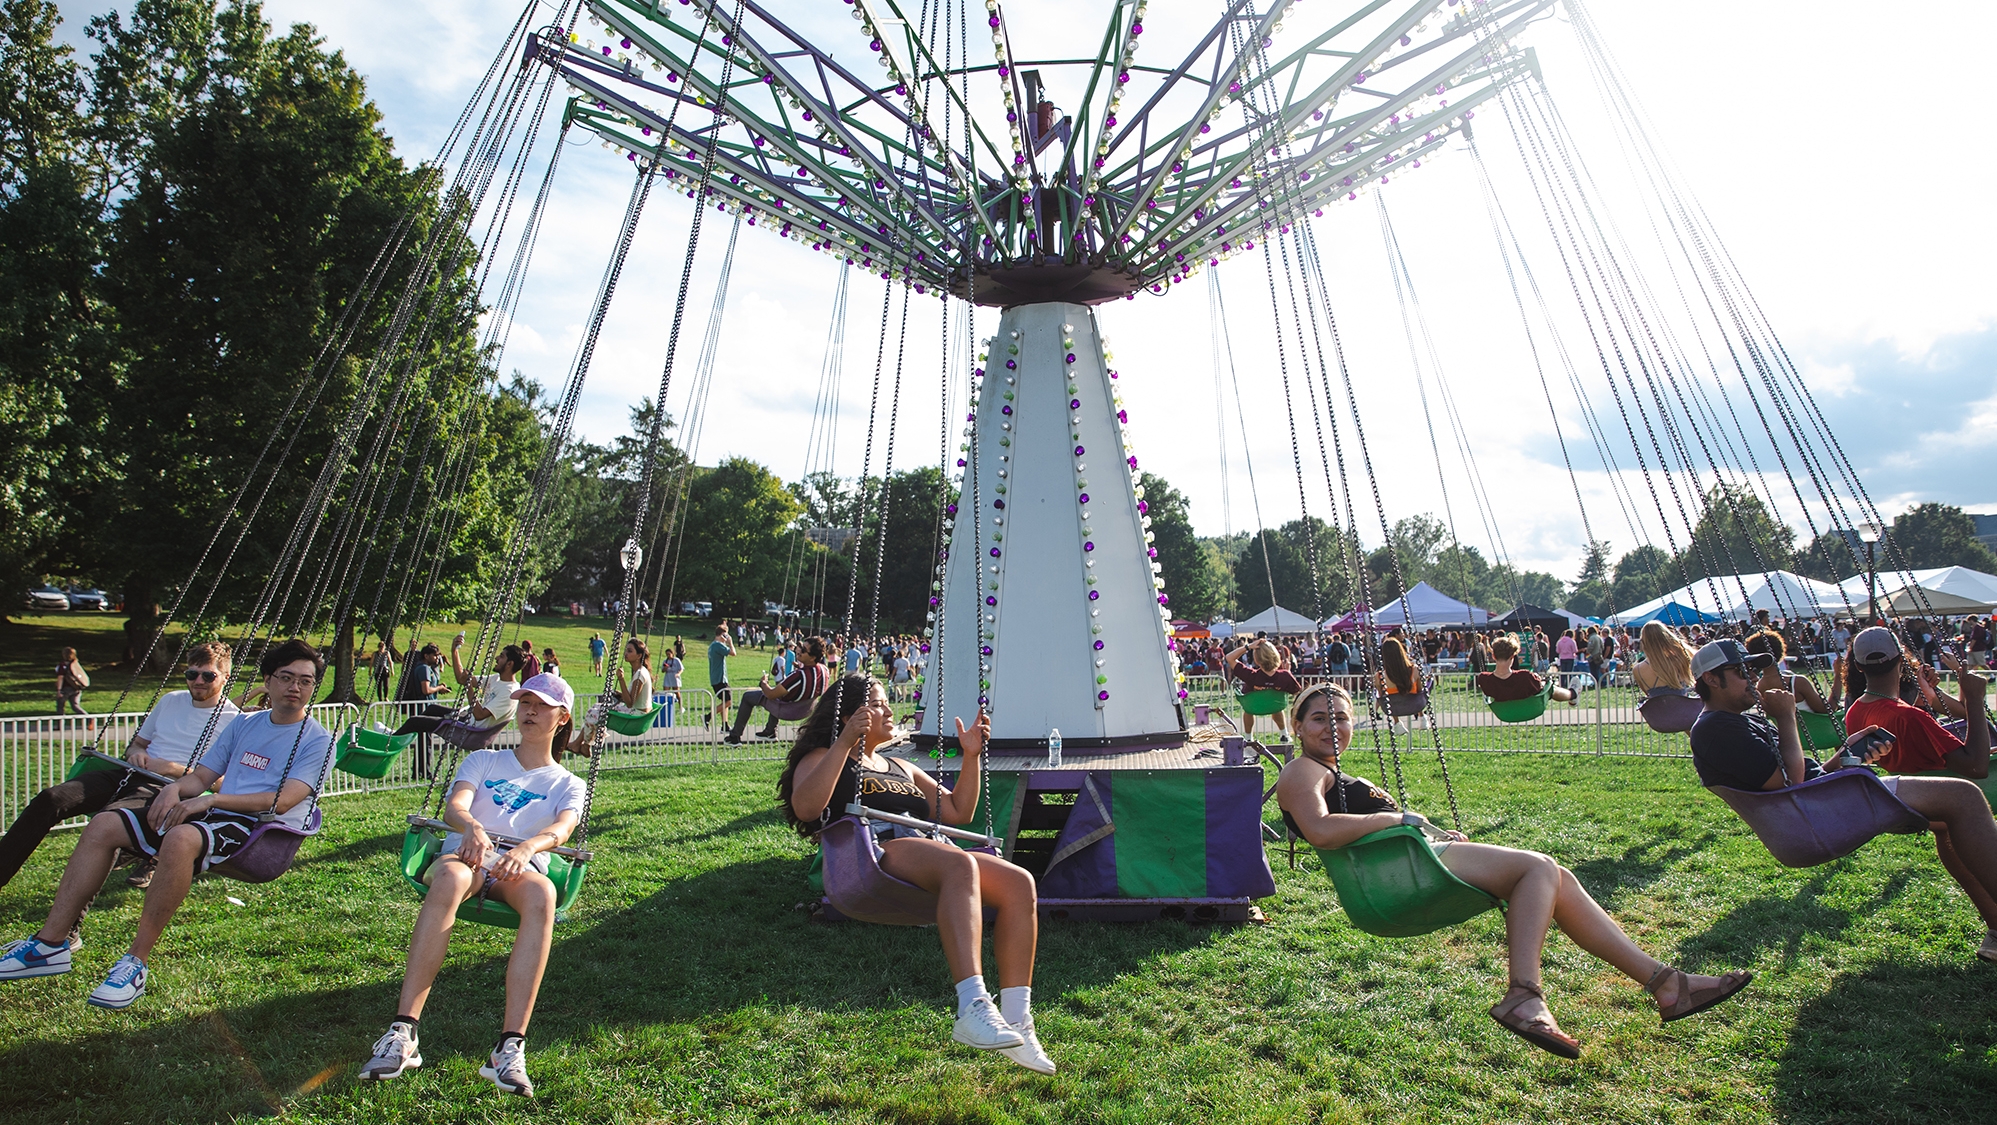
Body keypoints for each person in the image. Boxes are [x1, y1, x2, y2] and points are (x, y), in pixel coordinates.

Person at [1277, 682, 1751, 1058]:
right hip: (1400, 880)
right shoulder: (1303, 770)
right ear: (1297, 726)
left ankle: (1668, 985)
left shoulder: (1333, 770)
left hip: (1416, 865)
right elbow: (1318, 829)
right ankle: (1524, 993)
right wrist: (1397, 817)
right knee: (1537, 869)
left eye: (1340, 717)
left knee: (1558, 879)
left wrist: (1435, 832)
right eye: (1319, 718)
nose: (1331, 727)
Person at [0, 639, 334, 1008]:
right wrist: (175, 791)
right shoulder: (245, 725)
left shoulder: (318, 740)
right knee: (104, 825)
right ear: (268, 681)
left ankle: (135, 962)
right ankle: (51, 944)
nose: (295, 688)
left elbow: (283, 799)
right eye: (286, 678)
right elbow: (202, 775)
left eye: (305, 681)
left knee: (180, 839)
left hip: (258, 828)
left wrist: (210, 800)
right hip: (214, 812)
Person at [779, 675, 1051, 1073]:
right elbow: (805, 807)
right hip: (876, 853)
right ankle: (973, 1005)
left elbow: (958, 812)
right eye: (878, 703)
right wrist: (843, 743)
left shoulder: (901, 766)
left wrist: (971, 755)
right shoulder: (822, 756)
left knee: (1018, 882)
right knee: (958, 863)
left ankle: (1017, 1020)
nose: (889, 711)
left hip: (927, 850)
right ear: (851, 713)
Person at [1688, 637, 1997, 963]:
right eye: (1741, 672)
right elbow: (1790, 781)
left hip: (1821, 803)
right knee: (1964, 796)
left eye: (1753, 670)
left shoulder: (1734, 721)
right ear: (1711, 679)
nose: (1753, 679)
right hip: (1814, 818)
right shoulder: (1715, 728)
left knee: (1948, 819)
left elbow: (1804, 776)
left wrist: (1847, 754)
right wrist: (1786, 717)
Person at [360, 673, 586, 1096]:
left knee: (543, 893)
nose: (530, 711)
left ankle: (509, 1047)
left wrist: (527, 848)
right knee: (449, 876)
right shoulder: (484, 759)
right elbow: (456, 805)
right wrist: (472, 828)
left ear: (562, 717)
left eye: (541, 705)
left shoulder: (569, 783)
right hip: (467, 855)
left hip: (518, 866)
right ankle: (403, 1032)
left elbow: (563, 828)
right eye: (525, 703)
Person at [0, 643, 242, 899]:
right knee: (51, 799)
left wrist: (171, 768)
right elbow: (137, 744)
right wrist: (137, 753)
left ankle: (68, 927)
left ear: (226, 676)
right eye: (192, 674)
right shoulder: (170, 700)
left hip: (166, 787)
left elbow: (224, 782)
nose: (198, 681)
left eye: (208, 675)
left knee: (108, 823)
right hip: (127, 773)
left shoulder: (233, 720)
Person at [396, 640, 524, 777]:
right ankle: (398, 734)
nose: (497, 658)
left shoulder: (509, 691)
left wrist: (469, 688)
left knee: (414, 721)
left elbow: (480, 714)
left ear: (510, 664)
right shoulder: (496, 679)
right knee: (431, 709)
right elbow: (462, 679)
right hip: (470, 720)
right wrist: (454, 651)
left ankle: (388, 742)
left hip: (474, 732)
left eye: (502, 656)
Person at [727, 637, 829, 744]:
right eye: (800, 647)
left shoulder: (797, 676)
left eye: (803, 650)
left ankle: (735, 736)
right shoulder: (824, 670)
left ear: (812, 657)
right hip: (807, 709)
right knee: (782, 693)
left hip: (787, 710)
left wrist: (763, 684)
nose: (798, 650)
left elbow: (771, 695)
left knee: (748, 697)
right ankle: (770, 731)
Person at [1226, 639, 1303, 737]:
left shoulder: (1251, 676)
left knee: (1248, 710)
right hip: (1275, 706)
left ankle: (1249, 737)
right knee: (1277, 706)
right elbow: (1297, 692)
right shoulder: (1285, 676)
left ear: (1257, 660)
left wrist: (1248, 646)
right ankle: (1284, 734)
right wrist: (1287, 672)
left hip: (1253, 707)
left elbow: (1229, 657)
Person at [1476, 637, 1578, 707]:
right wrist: (1542, 681)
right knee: (1551, 689)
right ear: (1513, 656)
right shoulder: (1525, 677)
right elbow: (1540, 688)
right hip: (1530, 709)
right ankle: (1573, 694)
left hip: (1503, 712)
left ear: (1493, 656)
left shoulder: (1484, 679)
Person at [611, 638, 654, 719]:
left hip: (638, 714)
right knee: (598, 711)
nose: (626, 653)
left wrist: (621, 679)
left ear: (639, 655)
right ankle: (600, 732)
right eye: (626, 650)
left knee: (596, 711)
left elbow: (630, 703)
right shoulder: (639, 672)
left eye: (629, 651)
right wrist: (620, 695)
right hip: (637, 712)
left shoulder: (640, 674)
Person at [709, 624, 737, 727]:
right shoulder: (718, 645)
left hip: (715, 678)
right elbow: (733, 653)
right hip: (720, 679)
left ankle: (724, 724)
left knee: (724, 702)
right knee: (729, 701)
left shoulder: (712, 645)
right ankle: (708, 717)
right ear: (723, 634)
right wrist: (730, 642)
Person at [55, 647, 89, 715]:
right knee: (75, 706)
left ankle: (60, 724)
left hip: (66, 688)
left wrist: (59, 690)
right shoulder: (75, 664)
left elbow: (60, 678)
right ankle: (88, 718)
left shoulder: (63, 665)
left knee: (60, 706)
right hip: (76, 687)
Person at [658, 646, 684, 727]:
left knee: (677, 692)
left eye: (669, 654)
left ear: (672, 654)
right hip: (668, 677)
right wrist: (665, 668)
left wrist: (678, 674)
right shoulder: (665, 661)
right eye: (667, 654)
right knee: (666, 693)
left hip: (675, 677)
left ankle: (681, 707)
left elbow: (681, 669)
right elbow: (662, 670)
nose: (668, 655)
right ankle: (666, 706)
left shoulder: (676, 660)